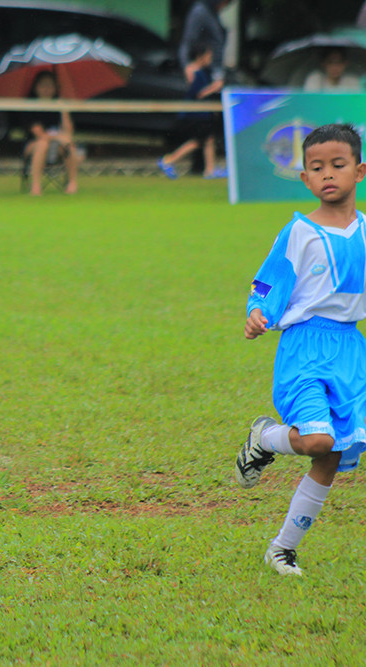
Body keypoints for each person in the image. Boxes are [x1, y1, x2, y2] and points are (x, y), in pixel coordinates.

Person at [235, 123, 366, 577]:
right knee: (317, 440)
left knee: (331, 456)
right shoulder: (298, 231)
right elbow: (269, 279)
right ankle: (264, 437)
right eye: (316, 167)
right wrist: (258, 310)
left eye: (337, 164)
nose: (327, 173)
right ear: (306, 179)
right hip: (306, 345)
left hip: (351, 348)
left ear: (359, 171)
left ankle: (281, 549)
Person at [157, 44, 226, 180]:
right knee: (199, 141)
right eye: (208, 56)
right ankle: (168, 160)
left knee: (208, 139)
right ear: (200, 56)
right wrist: (215, 87)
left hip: (202, 112)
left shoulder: (201, 71)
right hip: (195, 113)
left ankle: (210, 170)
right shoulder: (194, 71)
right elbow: (197, 93)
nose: (210, 59)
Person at [22, 70, 80, 196]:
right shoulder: (30, 106)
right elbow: (39, 134)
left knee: (69, 144)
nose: (47, 89)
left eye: (50, 85)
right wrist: (59, 136)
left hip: (57, 146)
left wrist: (63, 110)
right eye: (43, 85)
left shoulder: (57, 105)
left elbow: (68, 132)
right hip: (34, 146)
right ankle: (36, 186)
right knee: (43, 144)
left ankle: (72, 183)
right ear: (36, 87)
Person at [178, 0, 232, 84]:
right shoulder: (200, 12)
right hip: (200, 69)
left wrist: (218, 73)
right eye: (224, 2)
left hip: (212, 71)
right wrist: (186, 65)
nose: (224, 6)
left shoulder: (212, 14)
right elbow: (187, 42)